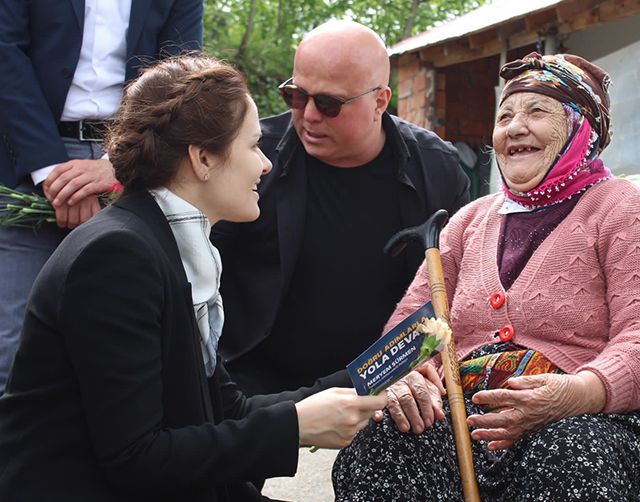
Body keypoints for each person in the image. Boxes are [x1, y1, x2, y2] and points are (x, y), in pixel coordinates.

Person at [0, 56, 387, 500]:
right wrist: (297, 426)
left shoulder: (165, 243)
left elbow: (226, 409)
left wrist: (376, 376)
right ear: (203, 158)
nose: (265, 164)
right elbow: (136, 458)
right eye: (253, 145)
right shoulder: (116, 257)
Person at [333, 52, 640, 502]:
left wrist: (579, 393)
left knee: (571, 453)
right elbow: (412, 327)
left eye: (537, 112)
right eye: (504, 115)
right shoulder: (469, 222)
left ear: (582, 128)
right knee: (383, 442)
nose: (514, 127)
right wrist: (404, 374)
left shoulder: (625, 209)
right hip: (468, 424)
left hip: (592, 418)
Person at [212, 20, 471, 397]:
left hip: (388, 383)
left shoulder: (437, 169)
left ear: (380, 101)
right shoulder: (250, 156)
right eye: (296, 96)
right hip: (253, 387)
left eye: (329, 103)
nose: (309, 115)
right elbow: (196, 273)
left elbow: (462, 288)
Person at [0, 0, 204, 396]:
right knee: (11, 346)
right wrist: (50, 172)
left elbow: (180, 76)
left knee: (123, 340)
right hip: (27, 156)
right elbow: (5, 52)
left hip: (137, 158)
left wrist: (119, 162)